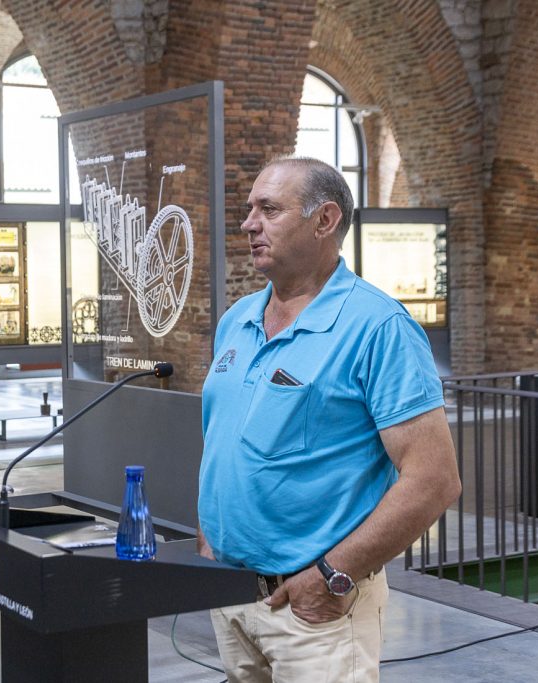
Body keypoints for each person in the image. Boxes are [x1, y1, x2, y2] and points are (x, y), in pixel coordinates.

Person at [197, 157, 461, 682]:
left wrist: (332, 576)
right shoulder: (237, 320)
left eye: (269, 210)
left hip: (314, 611)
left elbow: (434, 479)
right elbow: (220, 441)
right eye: (250, 209)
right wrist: (211, 540)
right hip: (230, 593)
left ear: (325, 220)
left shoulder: (378, 327)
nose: (249, 224)